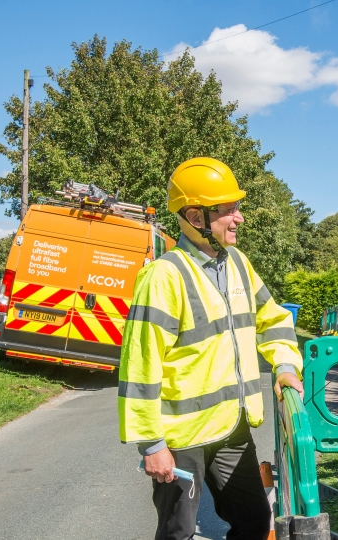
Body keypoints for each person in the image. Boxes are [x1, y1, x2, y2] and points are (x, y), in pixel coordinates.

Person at [118, 157, 304, 540]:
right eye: (228, 210)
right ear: (196, 217)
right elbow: (140, 367)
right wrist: (151, 444)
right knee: (178, 531)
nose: (238, 218)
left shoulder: (238, 263)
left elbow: (274, 318)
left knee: (254, 520)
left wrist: (285, 364)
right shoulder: (163, 276)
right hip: (180, 438)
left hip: (231, 428)